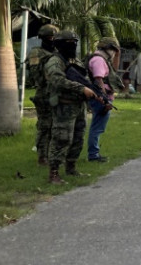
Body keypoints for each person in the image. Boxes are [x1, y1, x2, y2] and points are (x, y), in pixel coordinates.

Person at [44, 31, 98, 184]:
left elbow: (85, 79)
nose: (73, 46)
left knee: (78, 138)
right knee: (61, 138)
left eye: (74, 42)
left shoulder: (75, 61)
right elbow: (57, 81)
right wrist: (81, 89)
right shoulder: (55, 61)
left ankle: (71, 168)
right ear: (60, 45)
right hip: (63, 105)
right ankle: (53, 173)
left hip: (78, 106)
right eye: (69, 43)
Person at [85, 36, 124, 163]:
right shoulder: (98, 60)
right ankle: (93, 155)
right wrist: (105, 99)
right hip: (100, 99)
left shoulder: (103, 60)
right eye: (113, 50)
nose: (114, 53)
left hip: (103, 98)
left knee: (98, 127)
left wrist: (118, 55)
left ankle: (94, 153)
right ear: (107, 49)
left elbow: (114, 71)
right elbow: (99, 79)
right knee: (97, 127)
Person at [26, 23, 59, 166]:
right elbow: (35, 75)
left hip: (57, 93)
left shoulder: (57, 52)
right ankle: (42, 156)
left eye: (54, 37)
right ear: (43, 38)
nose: (52, 39)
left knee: (56, 126)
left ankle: (52, 155)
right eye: (49, 37)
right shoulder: (36, 53)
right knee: (44, 126)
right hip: (44, 93)